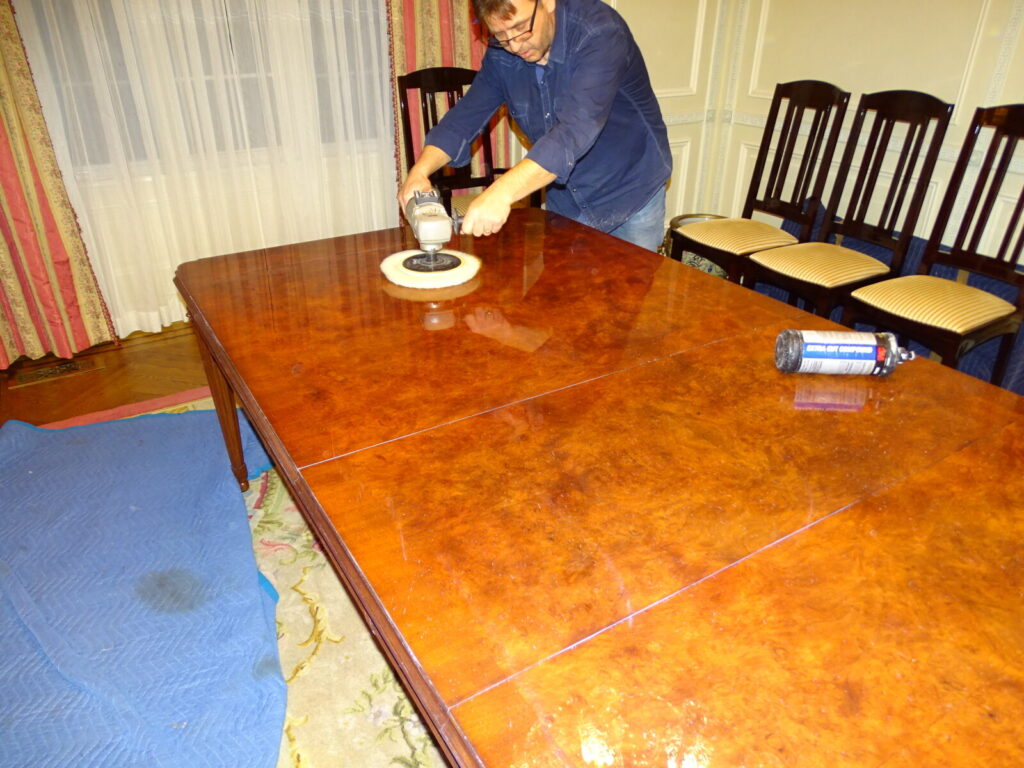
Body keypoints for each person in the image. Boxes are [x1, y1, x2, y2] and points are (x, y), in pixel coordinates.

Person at [397, 0, 672, 251]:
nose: (515, 46)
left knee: (629, 300)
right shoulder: (502, 53)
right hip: (565, 197)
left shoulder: (599, 32)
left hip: (628, 191)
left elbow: (575, 129)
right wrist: (420, 171)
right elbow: (465, 116)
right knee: (563, 297)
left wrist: (501, 192)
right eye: (502, 36)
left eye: (521, 28)